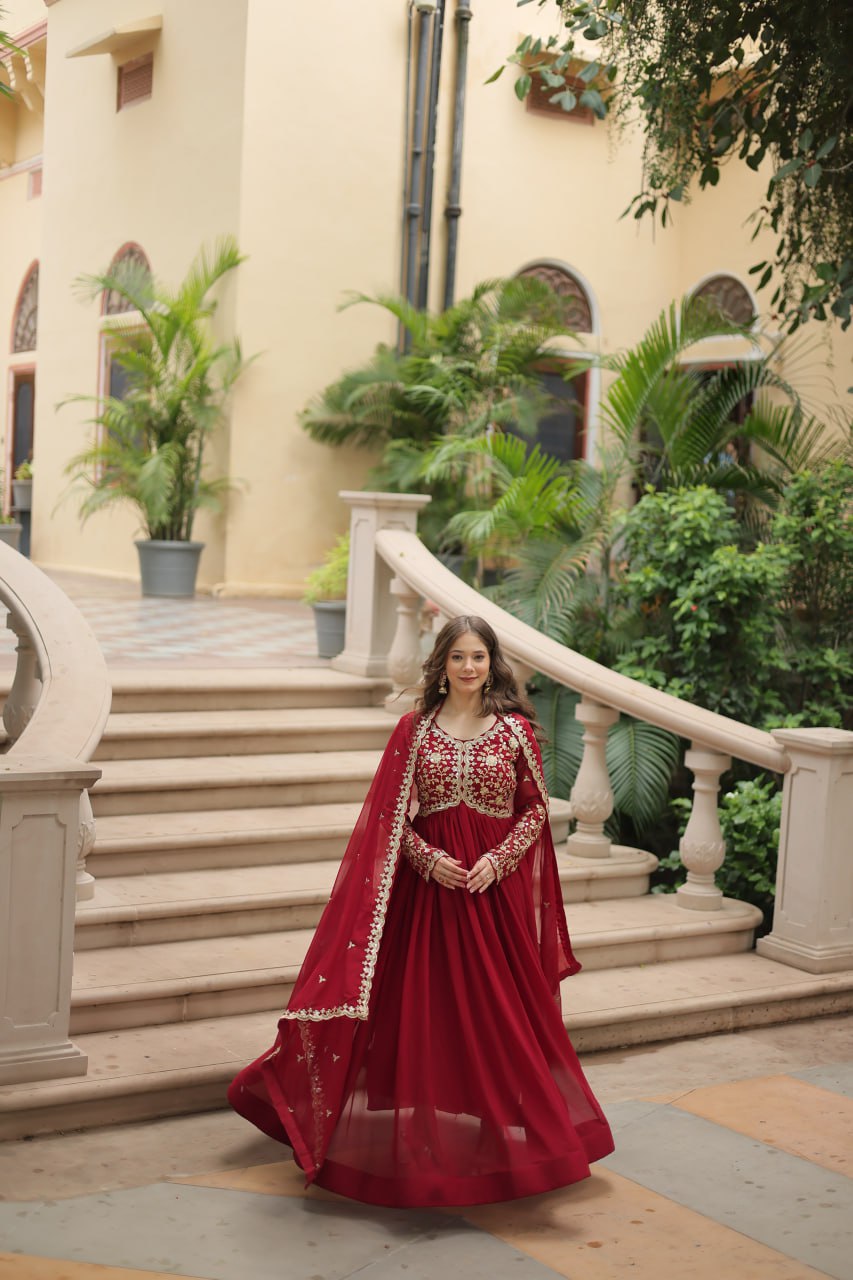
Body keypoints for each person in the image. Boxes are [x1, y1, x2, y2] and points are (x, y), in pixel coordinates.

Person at [228, 615, 614, 1207]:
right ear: (442, 663)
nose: (468, 667)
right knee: (423, 1009)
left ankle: (516, 1137)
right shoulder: (414, 730)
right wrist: (426, 857)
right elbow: (389, 819)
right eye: (458, 657)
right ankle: (417, 1140)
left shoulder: (515, 732)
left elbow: (534, 813)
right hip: (428, 897)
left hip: (490, 899)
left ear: (492, 664)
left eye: (478, 657)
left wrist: (500, 860)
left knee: (502, 1012)